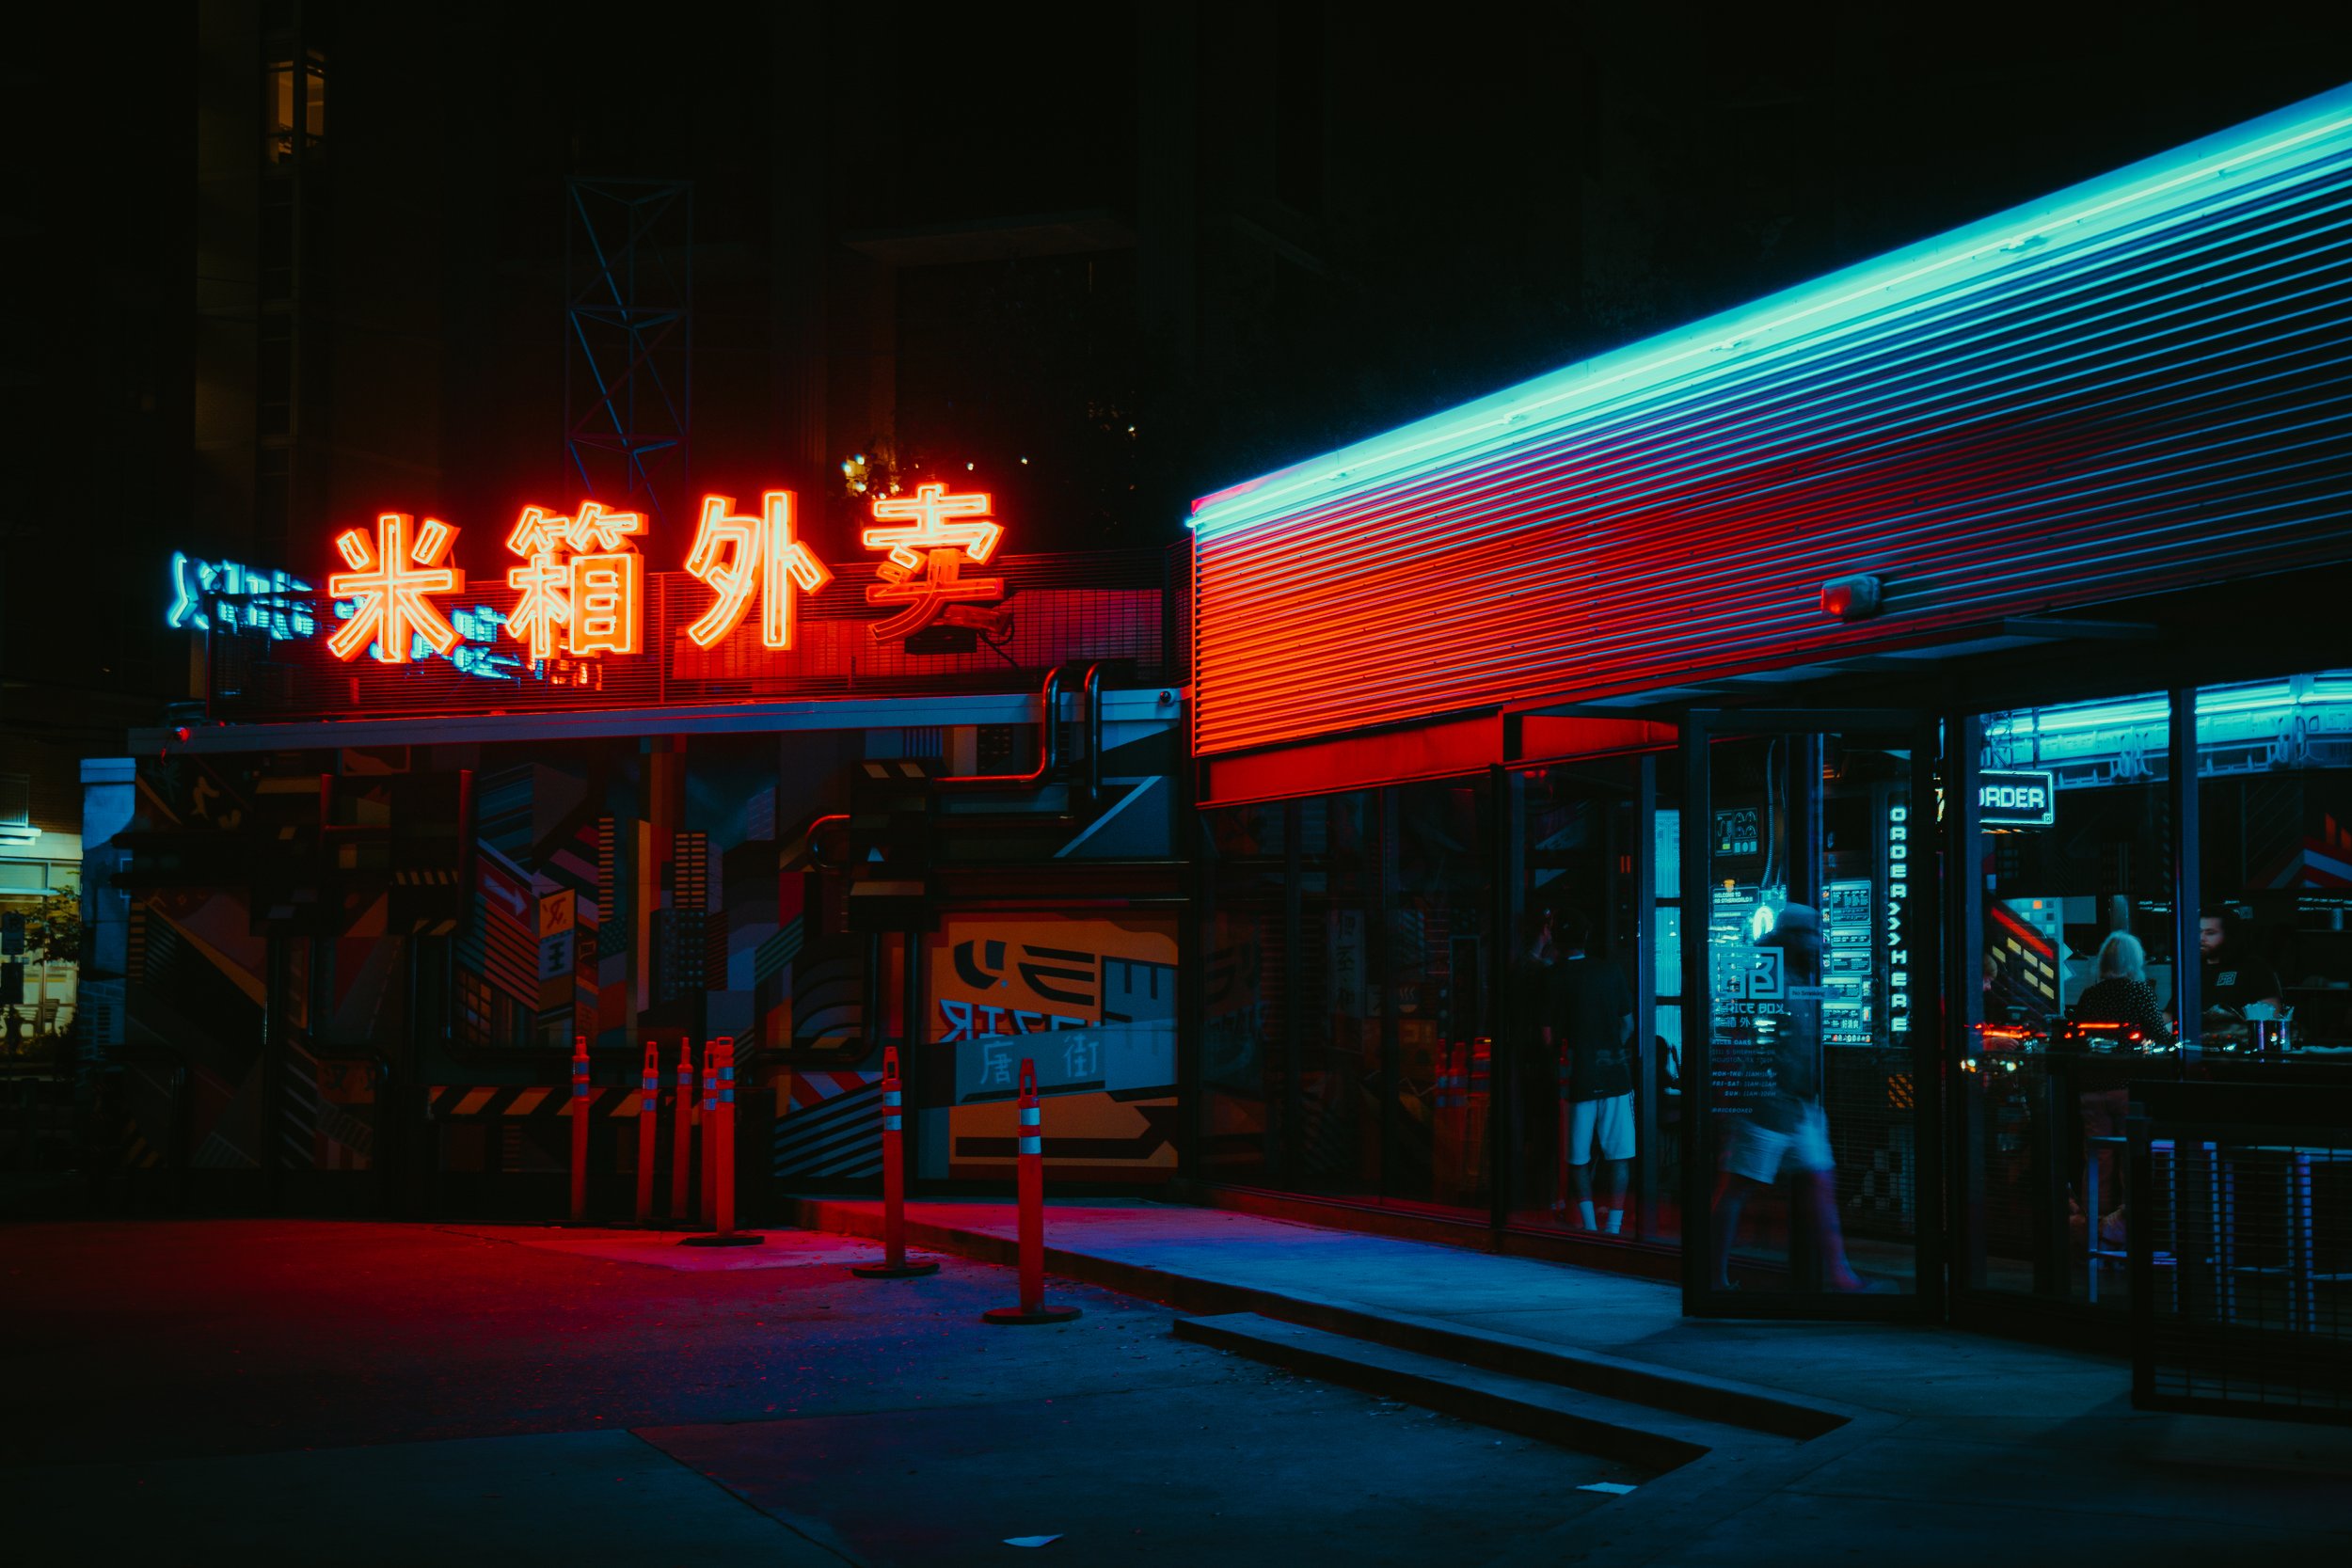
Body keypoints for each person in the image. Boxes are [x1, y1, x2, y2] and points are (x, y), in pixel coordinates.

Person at [1708, 903, 1874, 1292]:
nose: (1818, 942)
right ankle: (1713, 1276)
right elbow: (1736, 1037)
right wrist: (1731, 1097)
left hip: (1795, 1104)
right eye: (1811, 934)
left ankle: (1839, 1274)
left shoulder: (1795, 976)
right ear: (1793, 937)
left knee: (1817, 1183)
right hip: (1769, 1104)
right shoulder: (1767, 975)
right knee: (1739, 1188)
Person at [1549, 910, 1634, 1233]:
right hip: (1614, 1074)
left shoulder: (1554, 976)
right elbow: (1628, 1024)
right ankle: (1614, 1225)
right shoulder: (1610, 971)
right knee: (1620, 1155)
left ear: (1556, 940)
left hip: (1577, 1076)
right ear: (1586, 937)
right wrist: (1610, 1050)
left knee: (1577, 1157)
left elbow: (1547, 1036)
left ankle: (1589, 1226)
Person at [2074, 931, 2174, 1046]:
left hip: (2096, 1055)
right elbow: (2159, 1034)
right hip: (2129, 1055)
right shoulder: (2140, 992)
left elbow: (2077, 1032)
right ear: (2135, 961)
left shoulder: (2090, 994)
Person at [2200, 909, 2282, 1014]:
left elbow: (2272, 1012)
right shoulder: (2191, 969)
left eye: (2210, 933)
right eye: (2199, 932)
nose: (2201, 938)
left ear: (2228, 935)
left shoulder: (2253, 967)